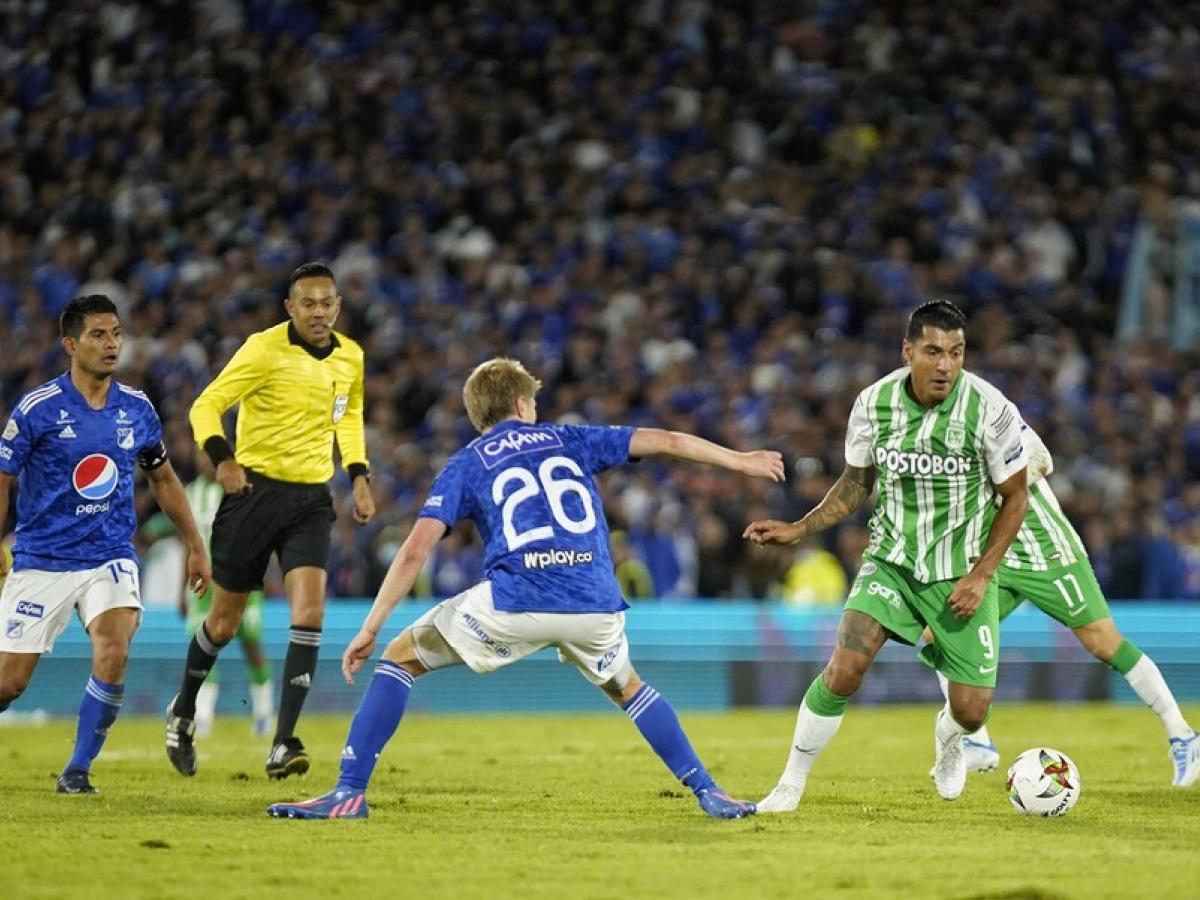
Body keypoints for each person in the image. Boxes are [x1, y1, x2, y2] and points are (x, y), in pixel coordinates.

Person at [266, 357, 784, 820]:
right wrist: (742, 460)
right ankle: (709, 792)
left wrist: (370, 627)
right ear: (521, 402)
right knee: (628, 687)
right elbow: (668, 441)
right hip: (594, 603)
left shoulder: (468, 461)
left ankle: (349, 793)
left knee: (399, 657)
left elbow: (416, 548)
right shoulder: (570, 438)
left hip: (517, 601)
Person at [744, 299, 1029, 811]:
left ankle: (949, 739)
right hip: (891, 562)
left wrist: (983, 576)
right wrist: (800, 529)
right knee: (844, 668)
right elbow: (856, 484)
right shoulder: (873, 404)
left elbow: (1017, 496)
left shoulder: (990, 410)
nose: (946, 364)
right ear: (908, 351)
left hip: (960, 573)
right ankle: (789, 784)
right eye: (934, 351)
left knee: (971, 711)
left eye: (957, 353)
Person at [164, 262, 375, 780]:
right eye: (308, 303)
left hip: (310, 499)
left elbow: (347, 415)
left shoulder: (351, 357)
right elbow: (206, 406)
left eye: (327, 302)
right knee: (223, 622)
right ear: (290, 307)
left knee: (309, 615)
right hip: (251, 493)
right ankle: (183, 711)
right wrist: (223, 458)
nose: (319, 312)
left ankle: (283, 742)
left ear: (338, 306)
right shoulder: (263, 349)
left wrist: (359, 474)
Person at [0, 295, 210, 793]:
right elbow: (3, 478)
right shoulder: (38, 408)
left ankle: (77, 770)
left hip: (110, 553)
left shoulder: (136, 409)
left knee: (113, 647)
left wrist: (195, 543)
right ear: (71, 344)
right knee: (9, 682)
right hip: (42, 559)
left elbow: (164, 480)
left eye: (116, 333)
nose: (112, 343)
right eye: (98, 334)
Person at [925, 420, 1200, 787]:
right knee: (939, 632)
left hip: (1047, 550)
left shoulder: (989, 411)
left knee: (1104, 642)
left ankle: (1182, 735)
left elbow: (1041, 458)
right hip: (997, 556)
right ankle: (977, 742)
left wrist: (991, 479)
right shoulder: (926, 439)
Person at [145, 451, 275, 738]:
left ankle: (264, 710)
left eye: (208, 453)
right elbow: (186, 545)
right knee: (202, 648)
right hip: (203, 584)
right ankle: (202, 714)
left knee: (251, 644)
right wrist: (182, 588)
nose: (203, 459)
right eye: (199, 453)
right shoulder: (190, 493)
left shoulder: (240, 488)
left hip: (240, 582)